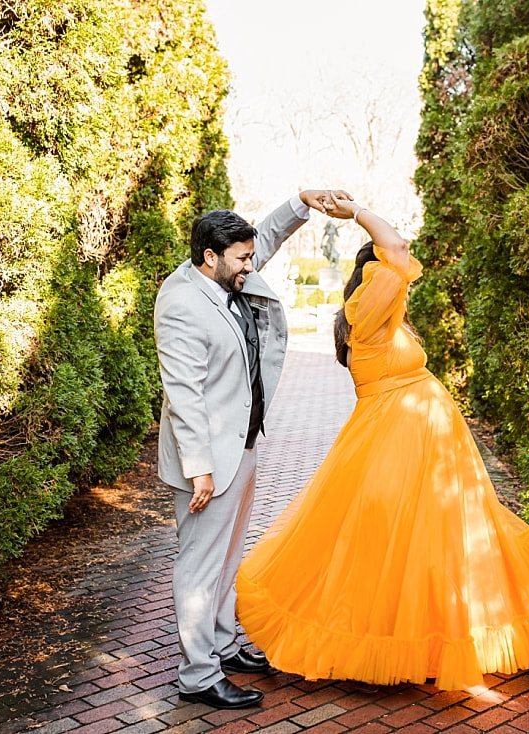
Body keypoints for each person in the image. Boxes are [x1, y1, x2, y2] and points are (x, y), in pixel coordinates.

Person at [236, 199, 529, 691]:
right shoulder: (368, 313)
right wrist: (356, 211)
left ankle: (439, 638)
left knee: (433, 542)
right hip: (397, 440)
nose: (400, 284)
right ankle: (399, 643)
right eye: (389, 278)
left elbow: (396, 258)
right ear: (372, 279)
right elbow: (396, 247)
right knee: (397, 541)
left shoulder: (384, 318)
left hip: (425, 442)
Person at [154, 189, 351, 709]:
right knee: (199, 565)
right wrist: (199, 470)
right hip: (208, 464)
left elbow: (264, 238)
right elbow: (183, 396)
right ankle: (197, 676)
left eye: (249, 255)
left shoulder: (224, 272)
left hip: (241, 446)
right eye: (242, 259)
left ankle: (221, 644)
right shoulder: (180, 305)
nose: (251, 264)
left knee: (226, 556)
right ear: (210, 257)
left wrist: (302, 202)